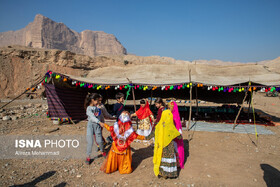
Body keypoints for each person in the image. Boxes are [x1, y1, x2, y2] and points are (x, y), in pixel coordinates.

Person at [145, 108, 182, 178]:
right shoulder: (171, 127)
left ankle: (163, 173)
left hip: (161, 147)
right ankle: (170, 174)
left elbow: (150, 135)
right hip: (170, 147)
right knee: (169, 159)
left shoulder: (158, 126)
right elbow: (179, 137)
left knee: (162, 159)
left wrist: (141, 137)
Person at [84, 93, 106, 165]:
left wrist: (101, 122)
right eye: (97, 100)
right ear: (92, 100)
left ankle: (102, 151)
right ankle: (88, 156)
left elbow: (99, 116)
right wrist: (99, 122)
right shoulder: (88, 108)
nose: (98, 102)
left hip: (97, 126)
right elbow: (92, 117)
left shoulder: (97, 108)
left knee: (99, 140)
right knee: (90, 142)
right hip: (91, 125)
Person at [168, 101, 185, 169]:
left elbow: (177, 126)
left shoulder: (175, 116)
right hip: (172, 134)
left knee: (176, 149)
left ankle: (178, 163)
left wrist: (176, 134)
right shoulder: (172, 114)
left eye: (170, 108)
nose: (169, 109)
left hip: (175, 135)